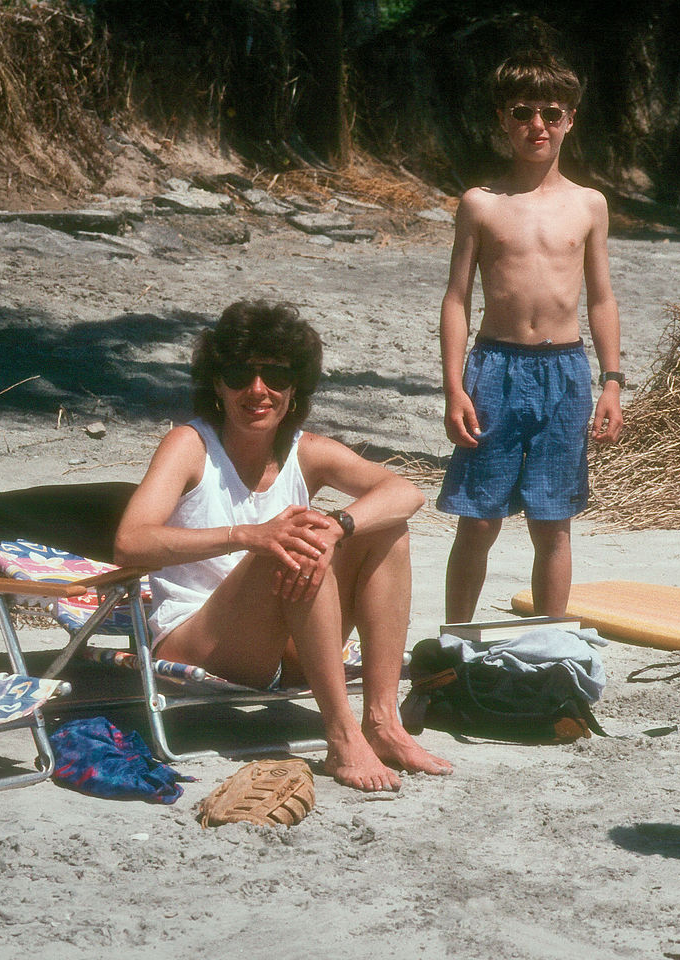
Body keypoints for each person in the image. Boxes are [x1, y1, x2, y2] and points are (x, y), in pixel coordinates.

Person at [115, 300, 452, 792]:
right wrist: (247, 536)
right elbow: (131, 541)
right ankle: (340, 733)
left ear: (295, 389)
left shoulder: (305, 451)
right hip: (200, 637)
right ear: (216, 383)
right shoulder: (190, 447)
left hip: (286, 639)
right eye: (239, 375)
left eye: (274, 376)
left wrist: (340, 524)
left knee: (383, 529)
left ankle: (382, 722)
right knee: (297, 543)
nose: (258, 391)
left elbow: (407, 493)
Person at [437, 49, 624, 624]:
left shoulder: (589, 204)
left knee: (553, 521)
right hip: (494, 368)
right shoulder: (481, 203)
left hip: (565, 372)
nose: (536, 125)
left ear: (570, 118)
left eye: (550, 112)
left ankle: (548, 641)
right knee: (479, 519)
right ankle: (455, 640)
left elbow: (601, 298)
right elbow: (457, 298)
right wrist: (453, 388)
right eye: (522, 112)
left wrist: (612, 383)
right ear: (502, 119)